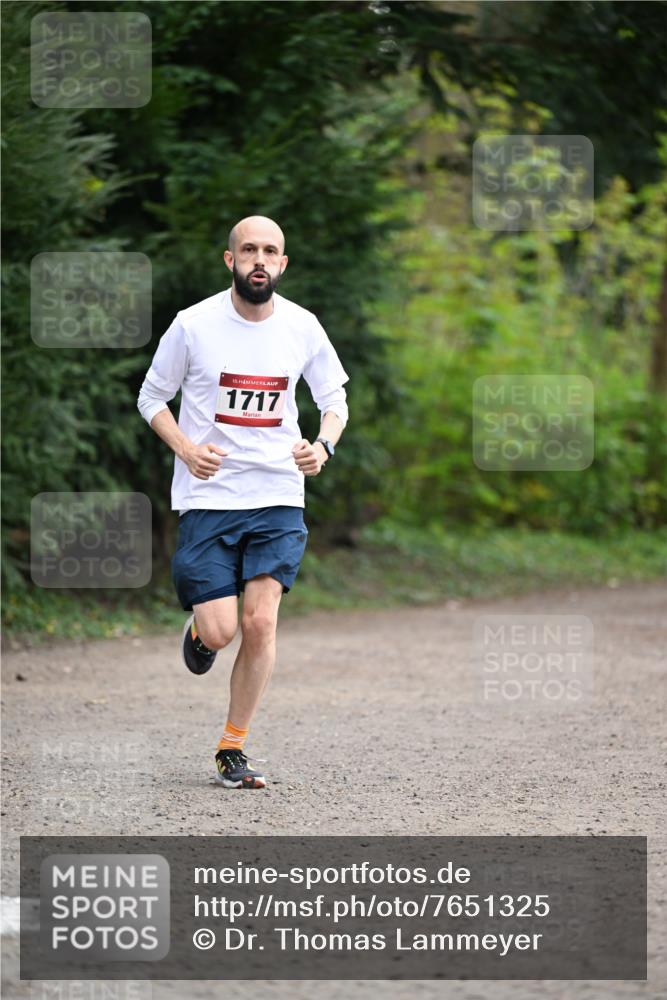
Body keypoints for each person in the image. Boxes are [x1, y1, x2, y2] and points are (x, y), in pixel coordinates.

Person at [137, 216, 348, 789]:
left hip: (279, 492)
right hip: (211, 497)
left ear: (283, 264)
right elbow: (152, 396)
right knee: (224, 628)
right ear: (229, 260)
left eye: (270, 251)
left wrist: (322, 446)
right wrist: (185, 447)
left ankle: (232, 748)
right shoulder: (193, 325)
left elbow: (334, 398)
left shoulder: (303, 327)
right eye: (248, 249)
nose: (259, 259)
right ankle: (201, 636)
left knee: (260, 624)